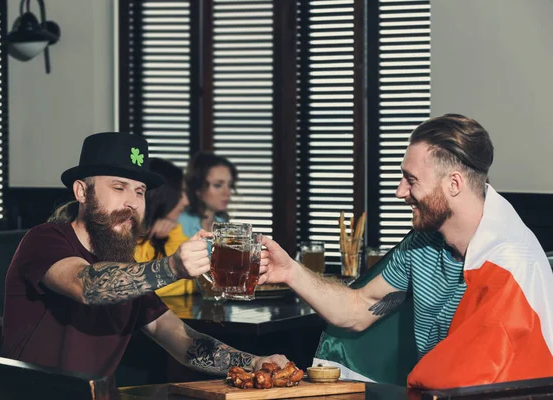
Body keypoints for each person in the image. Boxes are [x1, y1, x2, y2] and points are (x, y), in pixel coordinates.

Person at [258, 114, 553, 389]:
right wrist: (290, 272)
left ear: (454, 184)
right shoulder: (422, 243)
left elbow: (488, 377)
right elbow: (359, 307)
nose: (400, 191)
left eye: (411, 180)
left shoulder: (511, 262)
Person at [2, 132, 288, 381]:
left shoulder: (130, 272)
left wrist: (251, 363)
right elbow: (86, 285)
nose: (132, 203)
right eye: (118, 187)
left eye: (139, 192)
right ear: (82, 191)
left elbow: (179, 338)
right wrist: (173, 267)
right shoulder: (44, 239)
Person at [134, 158, 193, 296]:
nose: (186, 201)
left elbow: (193, 279)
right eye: (181, 193)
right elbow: (141, 290)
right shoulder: (124, 235)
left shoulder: (171, 231)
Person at [178, 152, 238, 236]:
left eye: (229, 185)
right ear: (198, 188)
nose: (227, 192)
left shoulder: (223, 223)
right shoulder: (180, 222)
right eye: (217, 185)